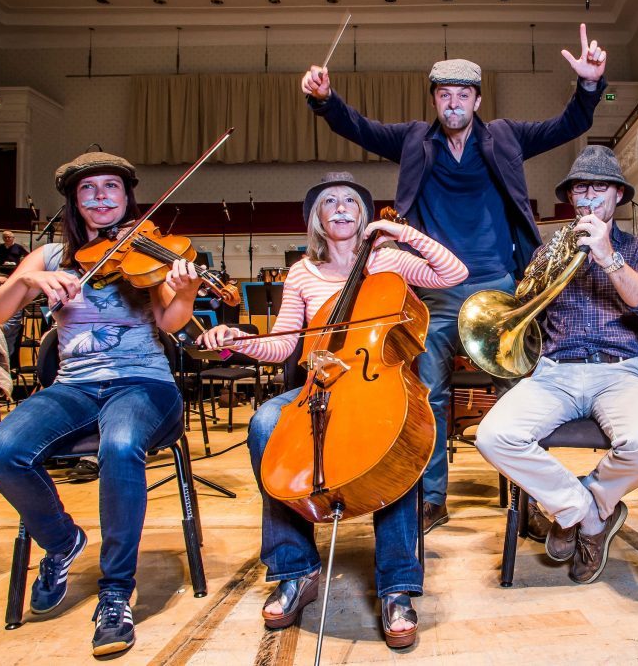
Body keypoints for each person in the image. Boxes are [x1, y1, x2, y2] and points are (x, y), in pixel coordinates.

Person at [301, 24, 608, 533]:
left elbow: (567, 124)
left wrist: (591, 85)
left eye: (463, 95)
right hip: (437, 289)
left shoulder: (505, 135)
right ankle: (432, 498)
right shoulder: (415, 141)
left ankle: (529, 499)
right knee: (429, 393)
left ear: (477, 99)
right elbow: (358, 126)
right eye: (445, 96)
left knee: (518, 393)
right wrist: (326, 99)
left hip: (502, 286)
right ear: (436, 101)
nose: (454, 104)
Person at [197, 172, 467, 648]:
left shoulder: (388, 263)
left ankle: (397, 584)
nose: (341, 207)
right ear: (317, 220)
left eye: (350, 201)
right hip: (318, 387)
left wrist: (401, 233)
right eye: (329, 203)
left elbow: (453, 274)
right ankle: (294, 568)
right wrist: (241, 341)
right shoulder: (303, 272)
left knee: (398, 434)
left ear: (363, 216)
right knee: (264, 422)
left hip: (376, 381)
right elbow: (283, 345)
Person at [0, 151, 202, 657]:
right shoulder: (51, 258)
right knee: (0, 449)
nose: (101, 197)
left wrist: (185, 293)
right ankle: (62, 542)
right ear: (74, 201)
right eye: (88, 189)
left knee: (121, 446)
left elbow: (170, 323)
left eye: (111, 188)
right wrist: (25, 281)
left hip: (144, 384)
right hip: (74, 386)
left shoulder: (148, 252)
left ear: (127, 197)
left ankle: (116, 591)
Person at [474, 146, 638, 584]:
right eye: (579, 188)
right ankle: (589, 517)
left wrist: (607, 256)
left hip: (618, 370)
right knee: (493, 437)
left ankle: (583, 503)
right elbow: (526, 314)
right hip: (555, 371)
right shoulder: (550, 250)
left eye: (598, 187)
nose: (587, 196)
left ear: (617, 195)